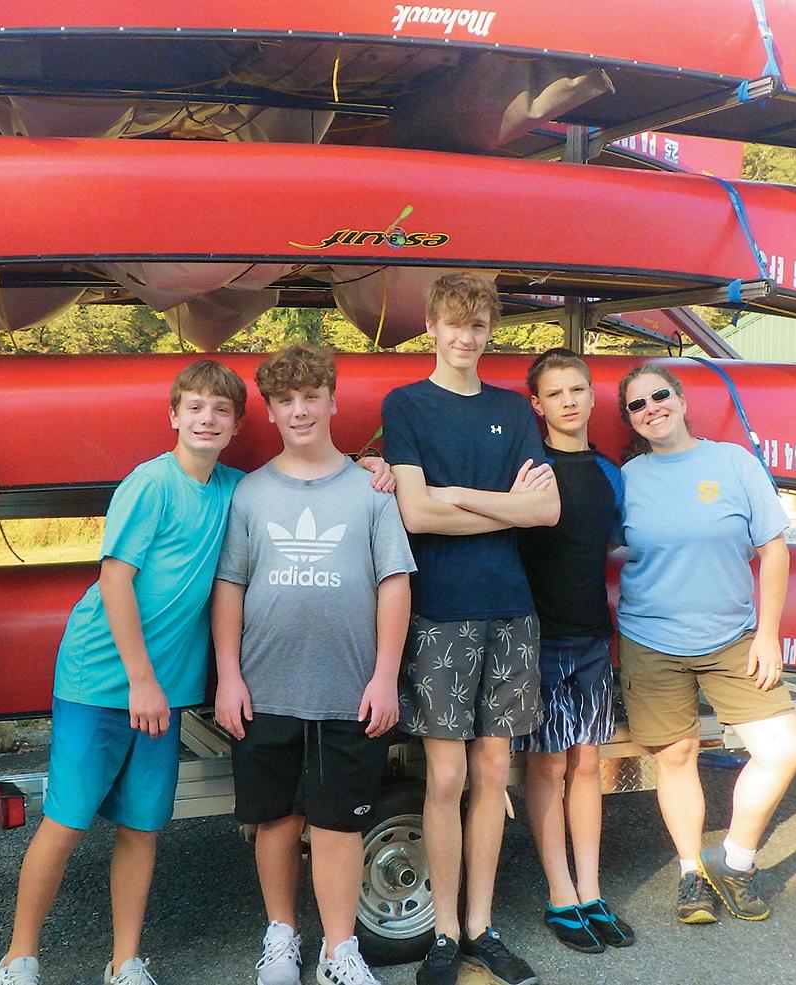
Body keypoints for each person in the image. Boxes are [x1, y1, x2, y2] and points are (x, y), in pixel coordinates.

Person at [0, 360, 247, 985]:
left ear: (236, 425)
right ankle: (19, 958)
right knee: (66, 822)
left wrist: (372, 467)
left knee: (143, 826)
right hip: (103, 678)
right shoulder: (150, 484)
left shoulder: (236, 489)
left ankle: (126, 961)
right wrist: (140, 680)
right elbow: (115, 579)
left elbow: (301, 479)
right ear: (173, 415)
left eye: (221, 410)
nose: (207, 419)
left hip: (167, 687)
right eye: (195, 407)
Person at [211, 344, 414, 985]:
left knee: (338, 824)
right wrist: (229, 675)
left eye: (310, 397)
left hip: (349, 689)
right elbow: (230, 586)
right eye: (285, 400)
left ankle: (339, 951)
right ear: (270, 412)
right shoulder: (250, 493)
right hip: (265, 685)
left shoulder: (370, 490)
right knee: (274, 819)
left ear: (332, 403)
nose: (299, 411)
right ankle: (282, 937)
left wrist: (385, 675)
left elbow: (394, 583)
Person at [380, 272, 559, 985]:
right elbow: (415, 515)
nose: (465, 337)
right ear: (431, 327)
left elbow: (544, 511)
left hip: (510, 610)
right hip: (439, 612)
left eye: (478, 325)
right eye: (454, 324)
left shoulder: (512, 410)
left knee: (490, 771)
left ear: (489, 331)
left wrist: (453, 493)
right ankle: (443, 931)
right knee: (446, 774)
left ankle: (480, 925)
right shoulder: (406, 404)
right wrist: (498, 506)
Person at [615, 364, 796, 925]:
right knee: (676, 757)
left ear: (680, 400)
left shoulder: (733, 462)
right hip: (650, 638)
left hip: (731, 637)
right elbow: (600, 547)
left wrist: (767, 634)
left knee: (785, 750)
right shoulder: (626, 479)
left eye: (659, 395)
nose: (651, 408)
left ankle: (734, 860)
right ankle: (691, 874)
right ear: (630, 419)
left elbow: (774, 550)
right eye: (636, 405)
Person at [514, 350, 635, 953]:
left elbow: (612, 547)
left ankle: (591, 891)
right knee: (548, 767)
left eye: (577, 390)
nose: (568, 401)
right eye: (555, 393)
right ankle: (560, 895)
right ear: (537, 405)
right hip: (537, 638)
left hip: (590, 636)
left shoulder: (610, 473)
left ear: (591, 396)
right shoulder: (528, 468)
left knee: (588, 765)